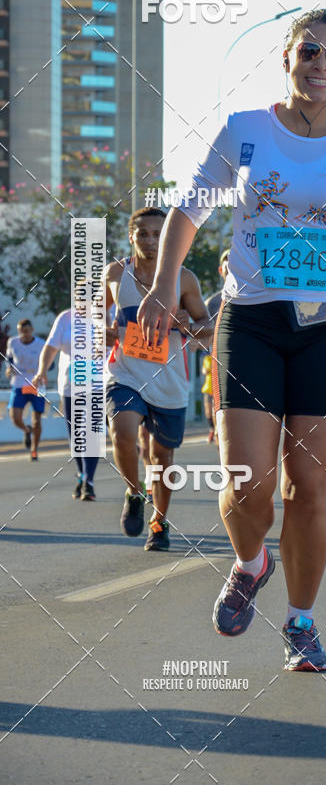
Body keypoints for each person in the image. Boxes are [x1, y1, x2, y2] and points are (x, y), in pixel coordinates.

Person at [137, 9, 326, 670]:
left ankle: (301, 621)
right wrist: (164, 283)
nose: (322, 65)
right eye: (310, 51)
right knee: (247, 483)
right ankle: (251, 562)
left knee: (308, 485)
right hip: (251, 320)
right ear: (287, 57)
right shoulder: (245, 130)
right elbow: (190, 208)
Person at [104, 206, 212, 551]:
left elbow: (208, 326)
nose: (150, 240)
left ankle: (159, 522)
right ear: (131, 237)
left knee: (161, 458)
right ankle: (135, 493)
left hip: (169, 380)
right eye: (143, 234)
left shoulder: (184, 278)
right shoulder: (116, 273)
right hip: (125, 373)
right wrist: (102, 331)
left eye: (158, 234)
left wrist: (188, 326)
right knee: (122, 433)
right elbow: (92, 315)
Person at [32, 309, 99, 499]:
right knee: (76, 434)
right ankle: (82, 474)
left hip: (98, 384)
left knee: (92, 433)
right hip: (71, 385)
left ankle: (89, 482)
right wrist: (41, 371)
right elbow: (50, 347)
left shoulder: (108, 312)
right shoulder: (65, 318)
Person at [5, 319, 46, 461]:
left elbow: (49, 363)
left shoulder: (41, 344)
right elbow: (9, 358)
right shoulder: (13, 342)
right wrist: (9, 368)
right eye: (21, 331)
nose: (24, 334)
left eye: (27, 331)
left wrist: (43, 372)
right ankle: (26, 430)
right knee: (15, 418)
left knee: (37, 420)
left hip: (36, 384)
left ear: (32, 330)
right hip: (18, 383)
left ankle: (34, 450)